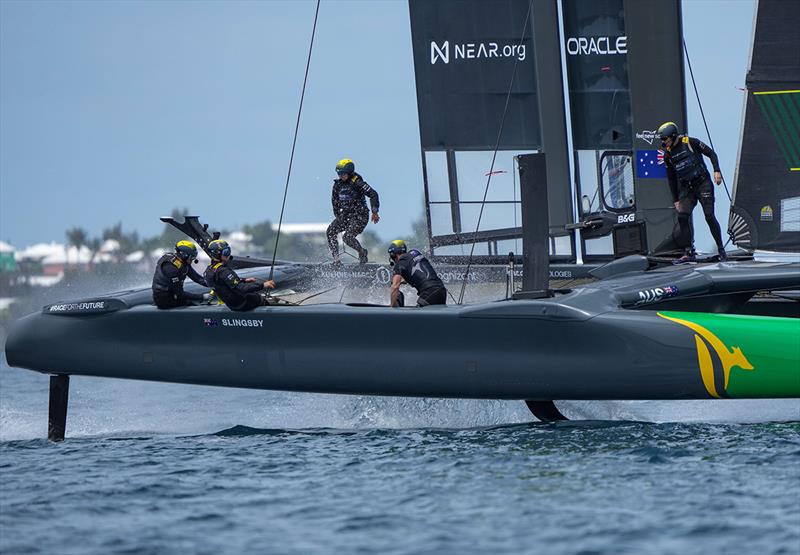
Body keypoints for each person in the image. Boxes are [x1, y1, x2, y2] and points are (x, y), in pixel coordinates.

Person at [658, 121, 727, 263]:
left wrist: (717, 170)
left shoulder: (690, 142)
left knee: (709, 216)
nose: (663, 142)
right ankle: (688, 252)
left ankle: (721, 250)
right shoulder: (668, 155)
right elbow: (671, 178)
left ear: (673, 136)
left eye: (665, 139)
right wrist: (676, 200)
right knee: (682, 217)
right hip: (687, 188)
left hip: (703, 183)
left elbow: (711, 153)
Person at [326, 158, 380, 266]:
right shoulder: (337, 185)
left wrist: (375, 212)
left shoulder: (358, 182)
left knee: (347, 237)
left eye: (342, 173)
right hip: (346, 215)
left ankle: (362, 252)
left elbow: (373, 194)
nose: (340, 176)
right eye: (338, 173)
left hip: (360, 215)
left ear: (349, 172)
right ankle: (336, 260)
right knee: (330, 232)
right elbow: (335, 203)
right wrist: (338, 218)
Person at [204, 239, 276, 311]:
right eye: (226, 252)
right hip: (241, 304)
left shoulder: (209, 270)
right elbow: (242, 288)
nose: (228, 254)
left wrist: (243, 280)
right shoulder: (223, 271)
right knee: (257, 296)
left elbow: (223, 283)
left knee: (251, 292)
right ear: (217, 254)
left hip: (231, 304)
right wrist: (263, 285)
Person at [387, 240, 447, 307]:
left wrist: (392, 307)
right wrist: (403, 281)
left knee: (416, 317)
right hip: (441, 290)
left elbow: (395, 287)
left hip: (428, 293)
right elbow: (418, 275)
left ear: (393, 254)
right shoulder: (415, 253)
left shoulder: (399, 263)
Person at [152, 240, 209, 309]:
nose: (192, 260)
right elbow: (180, 294)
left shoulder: (182, 263)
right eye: (192, 257)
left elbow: (197, 278)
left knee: (193, 303)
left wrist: (214, 284)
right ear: (184, 255)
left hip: (173, 294)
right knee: (191, 305)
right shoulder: (171, 269)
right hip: (164, 300)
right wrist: (202, 296)